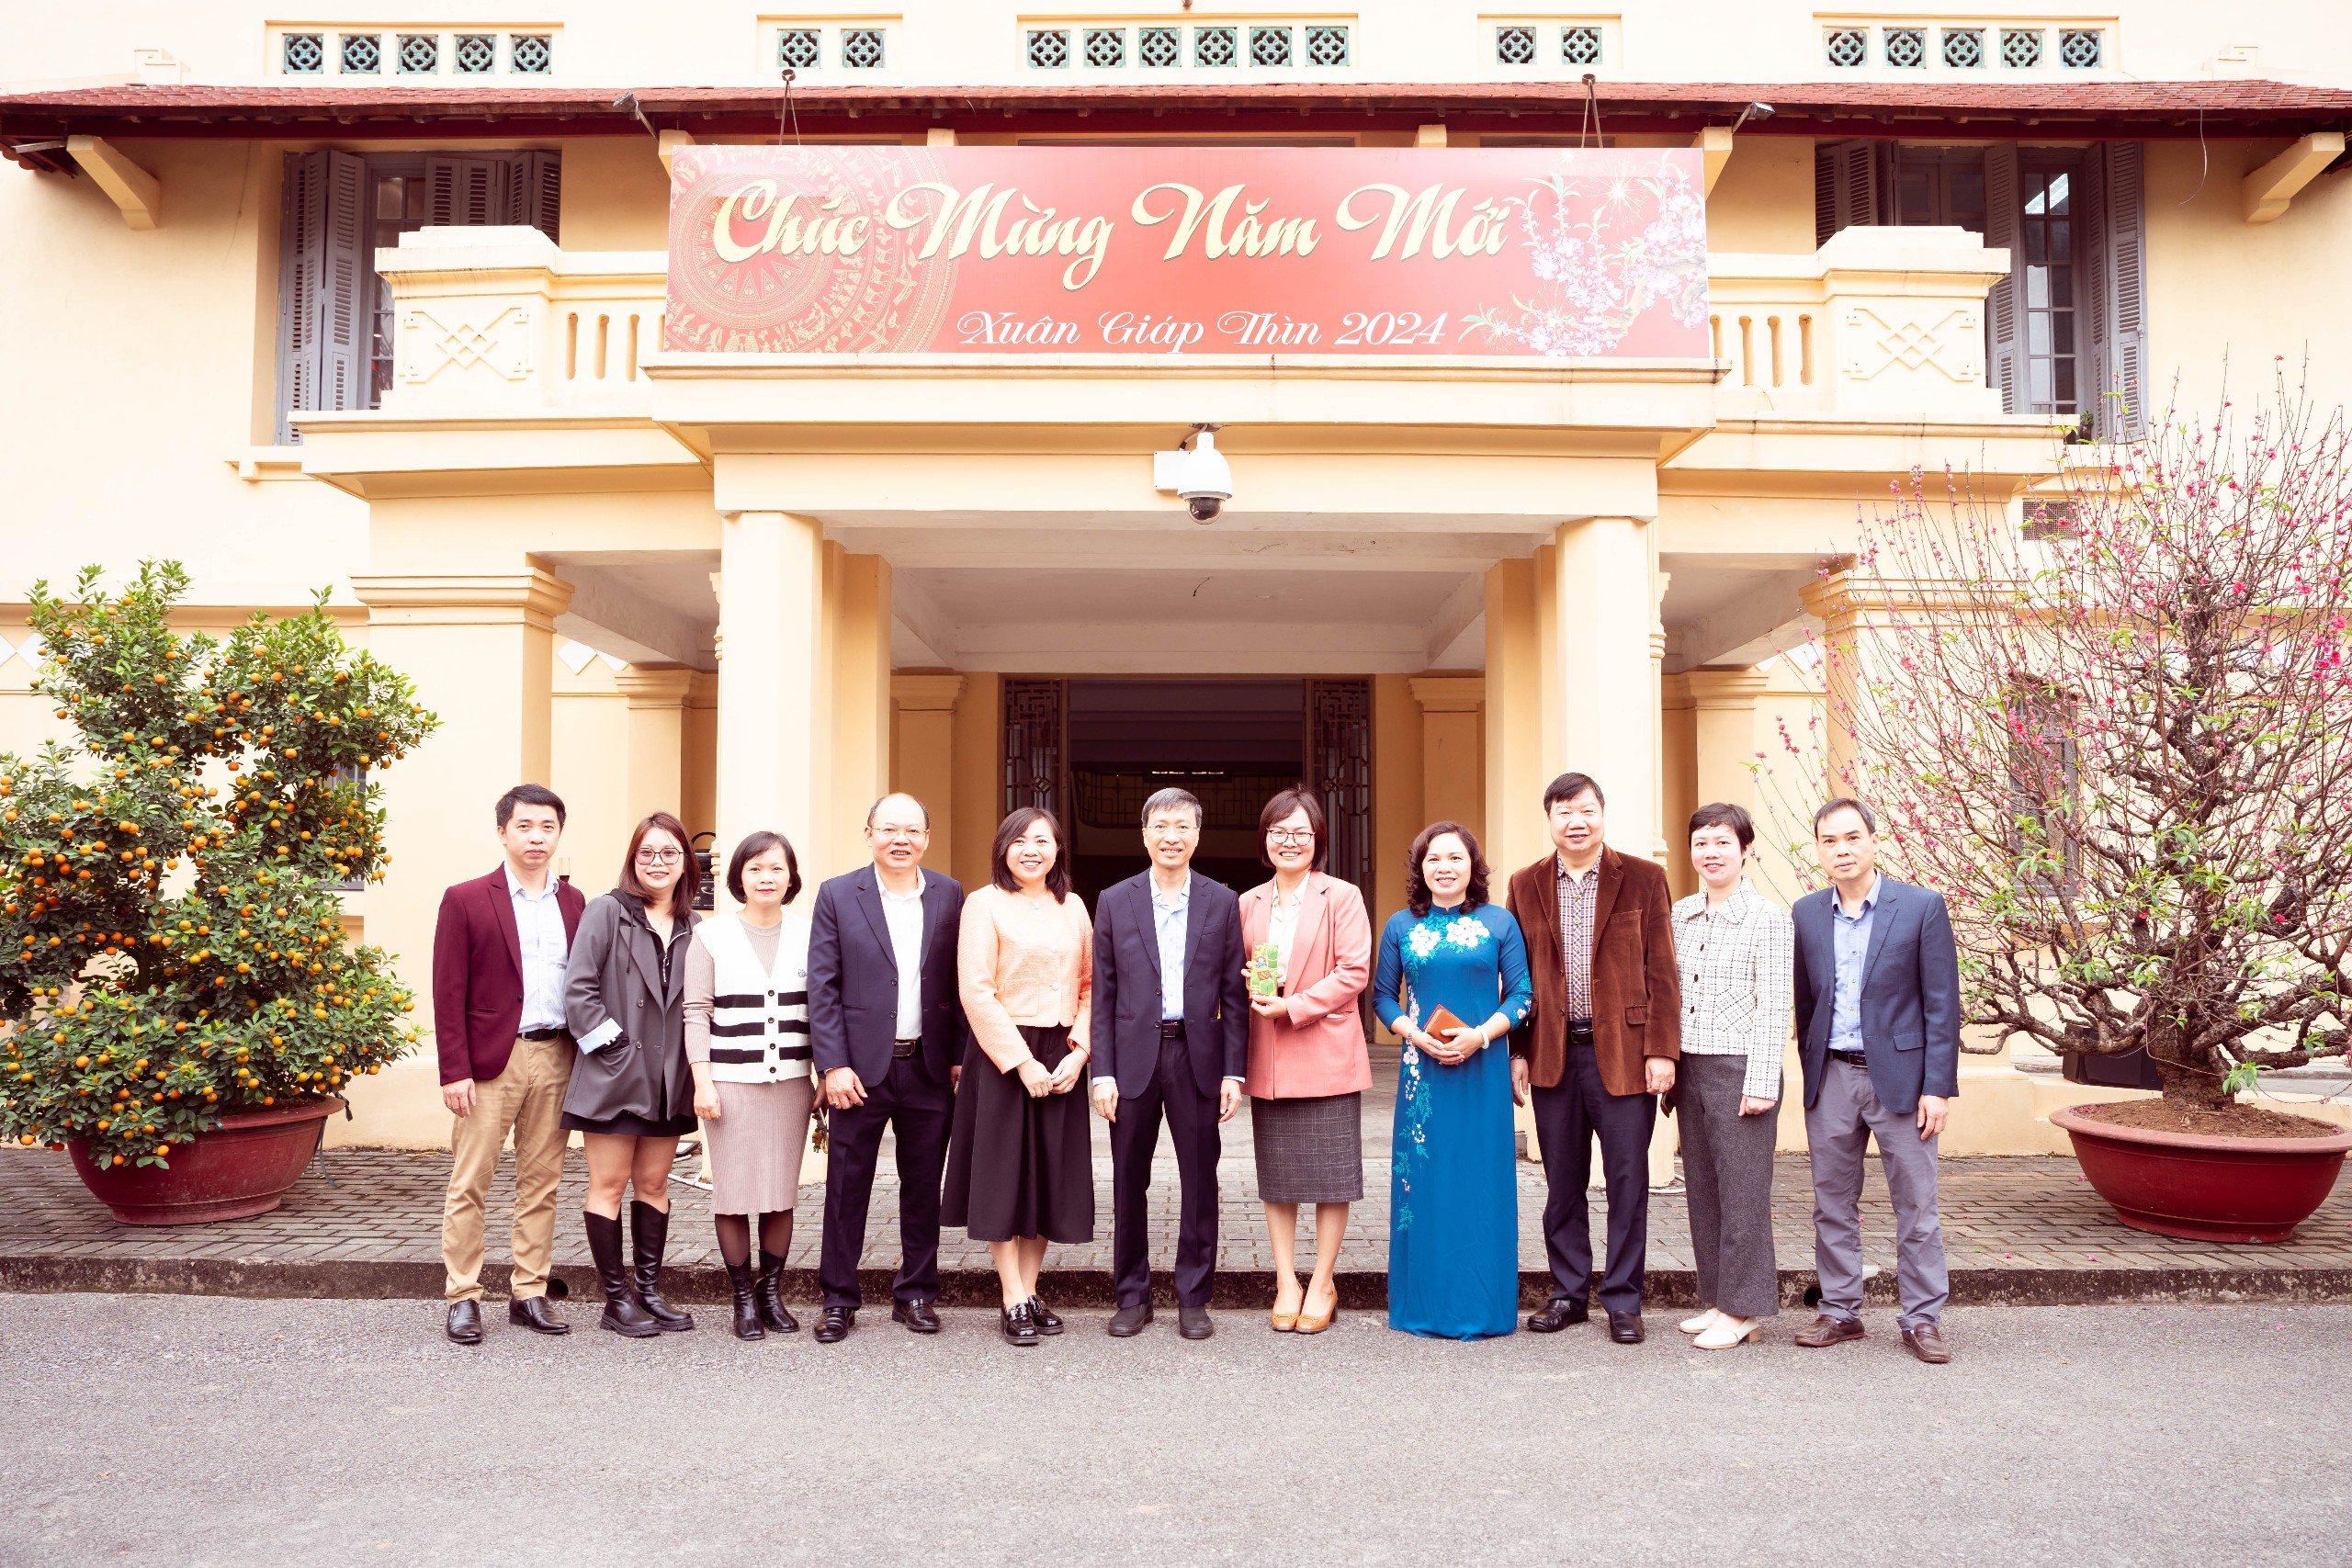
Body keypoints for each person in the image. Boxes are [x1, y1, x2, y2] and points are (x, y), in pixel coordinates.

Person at [1504, 772, 1681, 1346]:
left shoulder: (1645, 879)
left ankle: (1624, 1299)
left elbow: (1663, 972)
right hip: (1553, 1055)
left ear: (1602, 814)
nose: (1576, 822)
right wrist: (1518, 1051)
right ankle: (1568, 1292)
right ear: (1550, 820)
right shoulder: (1525, 884)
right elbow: (1517, 977)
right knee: (1562, 1182)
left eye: (1586, 811)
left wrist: (1662, 1051)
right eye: (1564, 812)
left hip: (1627, 1057)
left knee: (1628, 1180)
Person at [1792, 798, 1961, 1365]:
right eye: (1829, 841)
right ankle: (1840, 1311)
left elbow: (1942, 1004)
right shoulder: (1806, 914)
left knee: (1916, 1204)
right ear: (1819, 850)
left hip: (1905, 1081)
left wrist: (1937, 1087)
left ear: (1872, 840)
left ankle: (1922, 1318)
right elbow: (1806, 1002)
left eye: (1851, 838)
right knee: (1832, 1203)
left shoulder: (1920, 907)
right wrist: (1810, 1072)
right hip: (1831, 1077)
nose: (1841, 850)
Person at [806, 793, 966, 1344]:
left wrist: (959, 1057)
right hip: (858, 1072)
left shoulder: (949, 893)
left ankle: (916, 1292)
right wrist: (832, 1064)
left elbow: (958, 983)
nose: (901, 839)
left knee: (923, 1185)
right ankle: (838, 1298)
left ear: (926, 838)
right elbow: (822, 985)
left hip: (928, 1066)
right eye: (890, 829)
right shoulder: (837, 894)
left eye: (912, 830)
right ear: (869, 833)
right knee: (847, 1187)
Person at [431, 784, 587, 1345]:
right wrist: (454, 1069)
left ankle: (530, 1291)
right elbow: (447, 990)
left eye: (547, 827)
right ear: (503, 832)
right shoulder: (467, 899)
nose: (536, 837)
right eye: (525, 826)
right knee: (470, 1182)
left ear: (558, 833)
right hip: (490, 1062)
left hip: (557, 1055)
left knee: (541, 1183)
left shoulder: (575, 903)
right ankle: (463, 1295)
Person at [1090, 787, 1247, 1340]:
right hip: (1132, 1058)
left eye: (1182, 827)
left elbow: (1234, 994)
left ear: (1197, 836)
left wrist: (1233, 1071)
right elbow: (1103, 993)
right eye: (1161, 826)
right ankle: (1131, 1295)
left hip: (1197, 1056)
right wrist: (1102, 1072)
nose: (1171, 836)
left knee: (1200, 1179)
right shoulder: (1114, 900)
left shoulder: (1222, 901)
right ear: (1144, 834)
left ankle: (1193, 1296)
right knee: (1128, 1180)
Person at [1374, 822, 1533, 1340]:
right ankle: (1423, 1304)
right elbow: (1382, 998)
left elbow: (1523, 996)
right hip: (1422, 1074)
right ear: (1420, 868)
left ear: (1473, 866)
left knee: (1480, 1180)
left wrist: (1480, 1036)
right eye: (1434, 859)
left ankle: (1482, 1307)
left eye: (1455, 858)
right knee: (1426, 1182)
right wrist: (1416, 1036)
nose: (1444, 867)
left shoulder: (1500, 922)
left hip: (1482, 1070)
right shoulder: (1400, 926)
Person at [944, 807, 1096, 1347]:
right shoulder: (983, 904)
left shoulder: (1073, 906)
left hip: (1061, 1050)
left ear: (1058, 850)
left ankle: (1030, 1291)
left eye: (1043, 841)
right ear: (1003, 849)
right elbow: (975, 990)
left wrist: (1080, 1052)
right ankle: (1011, 1294)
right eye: (1021, 841)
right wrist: (1021, 1062)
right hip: (1002, 1054)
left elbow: (1091, 985)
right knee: (1002, 1177)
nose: (1032, 850)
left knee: (1049, 1178)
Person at [1237, 787, 1373, 1336]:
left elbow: (1354, 972)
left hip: (1326, 1049)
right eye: (1279, 832)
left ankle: (1322, 1280)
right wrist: (1250, 982)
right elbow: (1242, 967)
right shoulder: (1248, 902)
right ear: (1265, 839)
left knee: (1333, 1175)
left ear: (1318, 840)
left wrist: (1292, 1005)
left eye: (1301, 833)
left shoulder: (1342, 896)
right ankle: (1285, 1280)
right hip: (1270, 1052)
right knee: (1279, 1176)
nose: (1289, 842)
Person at [561, 810, 701, 1338]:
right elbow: (578, 989)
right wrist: (615, 1049)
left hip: (669, 1080)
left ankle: (648, 1293)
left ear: (685, 861)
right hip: (613, 1075)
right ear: (633, 860)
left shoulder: (694, 926)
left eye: (669, 853)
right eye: (647, 853)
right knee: (609, 1184)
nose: (658, 862)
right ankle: (616, 1300)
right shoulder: (607, 911)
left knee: (654, 1183)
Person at [684, 832, 817, 1342]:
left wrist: (823, 1072)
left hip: (791, 1084)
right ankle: (742, 1297)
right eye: (756, 868)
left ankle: (771, 1294)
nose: (766, 878)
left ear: (791, 877)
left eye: (777, 868)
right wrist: (702, 1081)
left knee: (781, 1192)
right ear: (739, 876)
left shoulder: (809, 934)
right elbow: (696, 1011)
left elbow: (823, 1010)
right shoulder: (712, 935)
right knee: (734, 1193)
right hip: (729, 1086)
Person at [1670, 803, 1792, 1351]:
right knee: (1703, 1188)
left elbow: (1774, 1006)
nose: (1711, 853)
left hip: (1740, 1067)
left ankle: (1744, 1310)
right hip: (1690, 1066)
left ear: (1746, 850)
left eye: (1722, 842)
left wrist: (1762, 1081)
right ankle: (1720, 1299)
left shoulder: (1769, 919)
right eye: (1701, 842)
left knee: (1743, 1193)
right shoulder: (1681, 913)